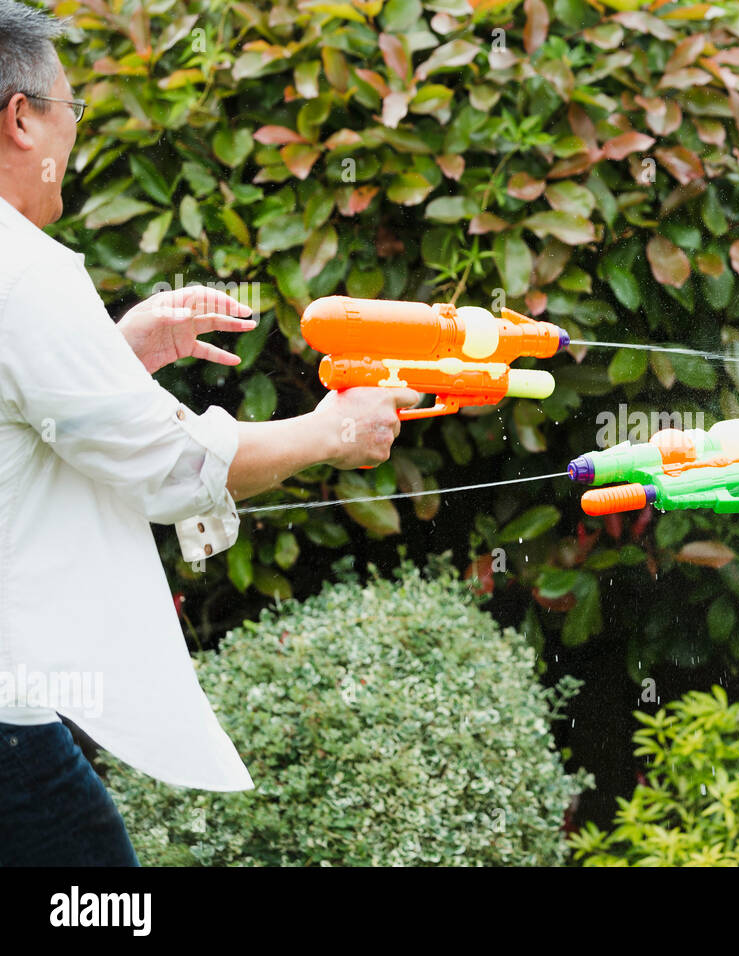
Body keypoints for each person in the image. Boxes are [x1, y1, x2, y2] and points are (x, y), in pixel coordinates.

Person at [0, 2, 420, 865]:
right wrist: (333, 430)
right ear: (20, 117)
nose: (73, 137)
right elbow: (177, 470)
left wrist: (116, 354)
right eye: (72, 110)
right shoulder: (24, 270)